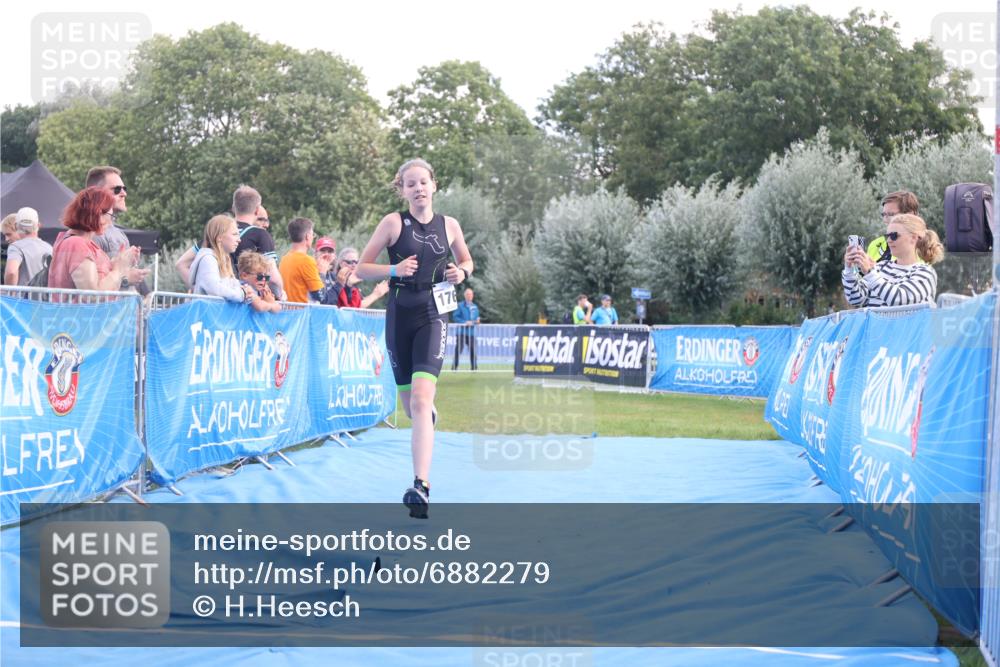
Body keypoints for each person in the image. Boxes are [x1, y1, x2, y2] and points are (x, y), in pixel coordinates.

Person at [355, 158, 473, 519]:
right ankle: (426, 417)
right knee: (412, 408)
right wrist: (393, 269)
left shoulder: (449, 225)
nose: (418, 188)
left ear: (434, 185)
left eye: (424, 182)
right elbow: (360, 268)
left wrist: (460, 272)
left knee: (422, 401)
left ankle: (420, 485)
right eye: (411, 184)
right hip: (399, 315)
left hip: (433, 313)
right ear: (402, 189)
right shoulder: (393, 223)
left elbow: (468, 262)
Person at [177, 185, 286, 298]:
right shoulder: (260, 235)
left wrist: (197, 289)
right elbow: (272, 277)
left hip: (225, 304)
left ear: (234, 208)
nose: (238, 239)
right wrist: (280, 295)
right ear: (257, 210)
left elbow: (181, 264)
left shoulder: (214, 234)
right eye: (234, 235)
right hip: (248, 305)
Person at [47, 187, 148, 291]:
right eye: (110, 215)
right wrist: (118, 268)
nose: (111, 221)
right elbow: (93, 294)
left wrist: (118, 262)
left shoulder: (80, 242)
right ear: (98, 213)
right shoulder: (77, 244)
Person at [843, 213, 943, 308]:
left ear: (913, 238)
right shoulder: (880, 267)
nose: (888, 240)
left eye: (894, 235)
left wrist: (870, 273)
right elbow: (855, 299)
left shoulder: (925, 273)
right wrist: (849, 269)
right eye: (887, 236)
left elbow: (899, 300)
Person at [189, 214, 261, 306]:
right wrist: (242, 294)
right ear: (219, 237)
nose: (239, 240)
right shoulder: (208, 259)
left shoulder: (223, 260)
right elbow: (214, 288)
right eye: (235, 234)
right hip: (208, 317)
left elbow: (231, 285)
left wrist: (247, 291)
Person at [278, 217, 334, 303]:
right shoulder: (306, 261)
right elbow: (321, 297)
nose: (313, 237)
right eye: (312, 235)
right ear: (307, 236)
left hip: (287, 313)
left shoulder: (284, 259)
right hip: (302, 314)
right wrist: (322, 272)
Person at [4, 207, 53, 286]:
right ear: (38, 225)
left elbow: (11, 272)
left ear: (16, 226)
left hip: (21, 297)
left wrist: (9, 294)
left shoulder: (16, 247)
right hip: (42, 297)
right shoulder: (49, 248)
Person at [867, 191, 919, 263]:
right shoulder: (875, 244)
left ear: (909, 215)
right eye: (884, 215)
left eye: (891, 214)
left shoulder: (924, 246)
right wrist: (851, 267)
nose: (885, 220)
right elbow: (861, 274)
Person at [451, 288, 480, 370]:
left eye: (471, 294)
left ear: (473, 296)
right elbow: (455, 317)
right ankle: (454, 367)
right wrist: (465, 322)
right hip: (461, 332)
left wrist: (477, 321)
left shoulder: (475, 306)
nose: (469, 296)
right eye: (467, 294)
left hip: (471, 332)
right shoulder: (460, 305)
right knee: (458, 350)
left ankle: (474, 368)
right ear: (465, 295)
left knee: (473, 350)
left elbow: (476, 318)